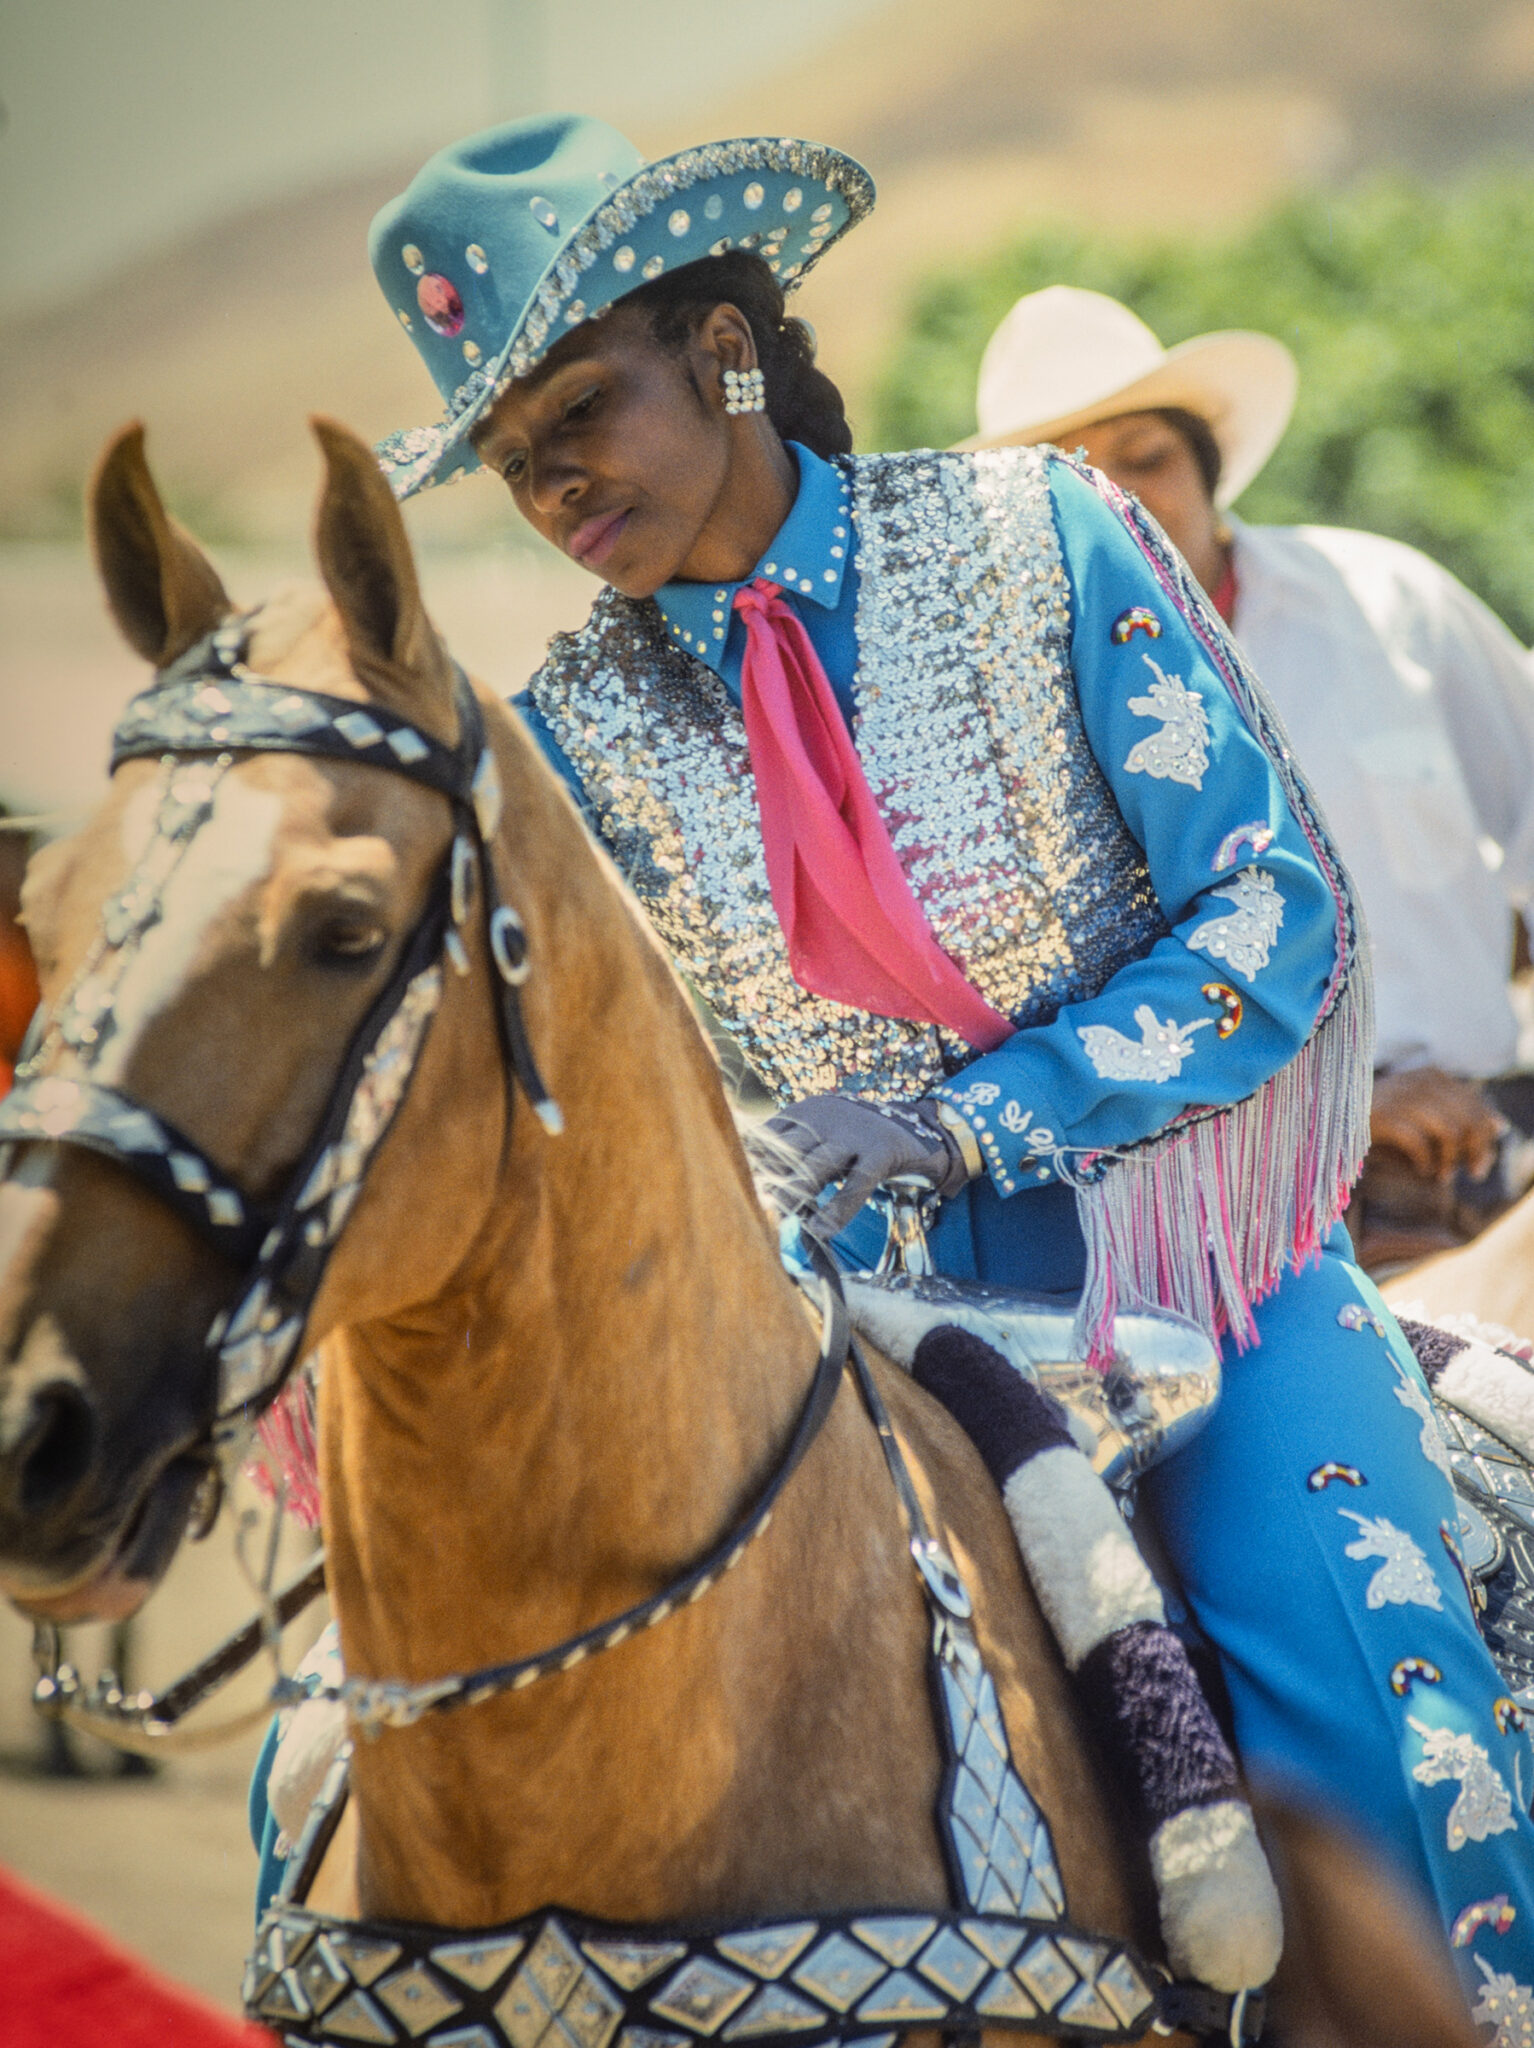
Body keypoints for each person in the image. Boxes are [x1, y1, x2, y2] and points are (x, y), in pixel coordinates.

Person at [344, 115, 1534, 2012]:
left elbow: (1266, 914)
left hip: (1188, 1278)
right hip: (837, 1332)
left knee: (1352, 1676)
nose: (550, 476)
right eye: (505, 456)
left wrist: (967, 1120)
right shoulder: (563, 732)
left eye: (577, 404)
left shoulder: (1037, 534)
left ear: (725, 351)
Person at [963, 284, 1534, 1271]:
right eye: (1069, 482)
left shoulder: (1386, 602)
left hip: (1500, 1141)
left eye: (1148, 457)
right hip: (1258, 1215)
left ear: (1206, 465)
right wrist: (1341, 1101)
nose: (1123, 502)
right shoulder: (1007, 742)